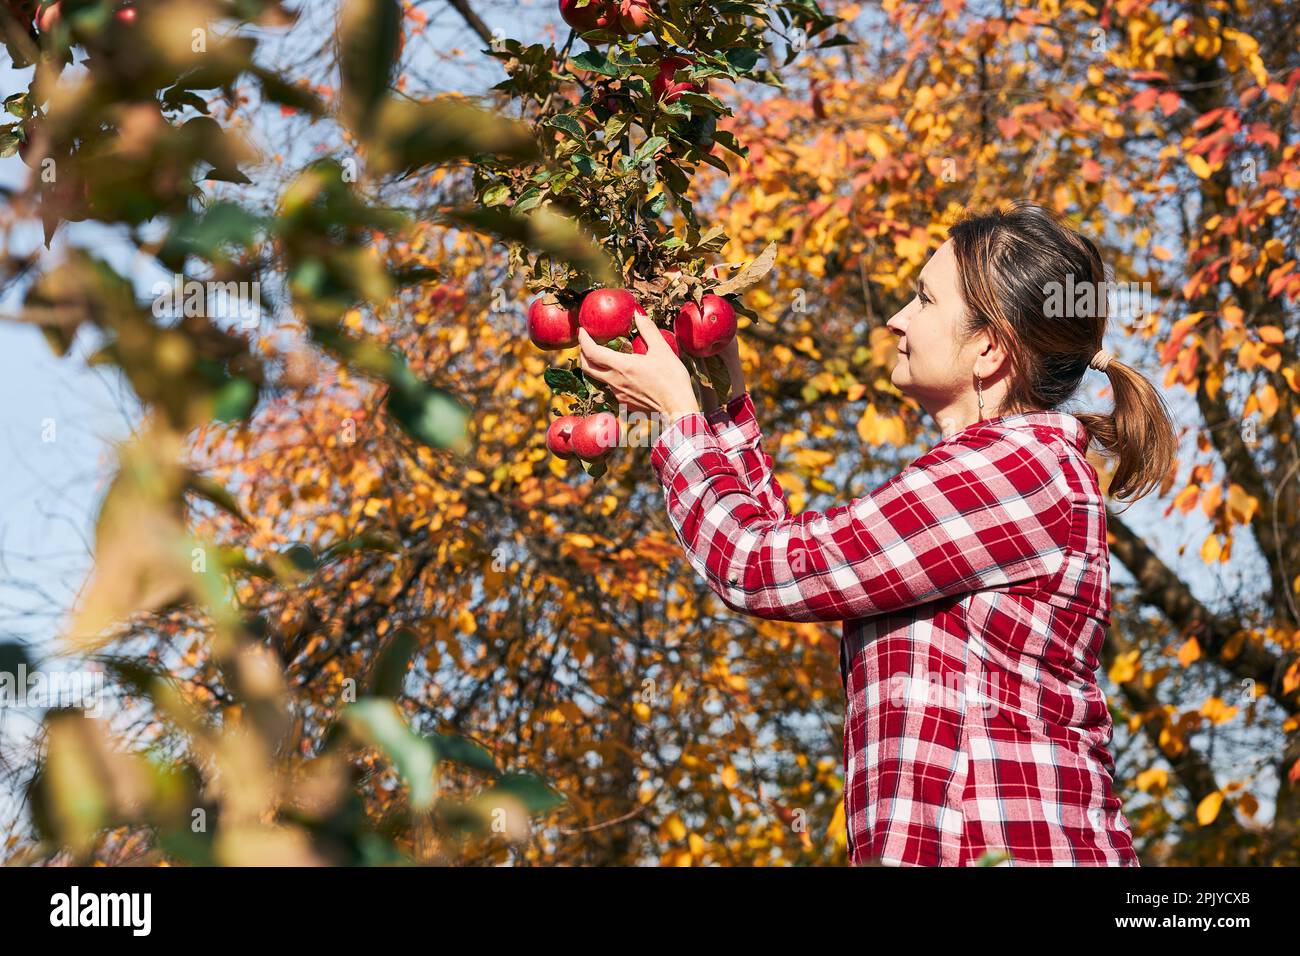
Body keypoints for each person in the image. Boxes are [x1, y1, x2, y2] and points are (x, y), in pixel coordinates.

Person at [578, 201, 1178, 866]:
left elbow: (756, 568)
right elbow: (790, 549)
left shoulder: (1012, 472)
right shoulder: (997, 472)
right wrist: (721, 398)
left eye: (924, 299)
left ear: (989, 348)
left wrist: (677, 416)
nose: (897, 317)